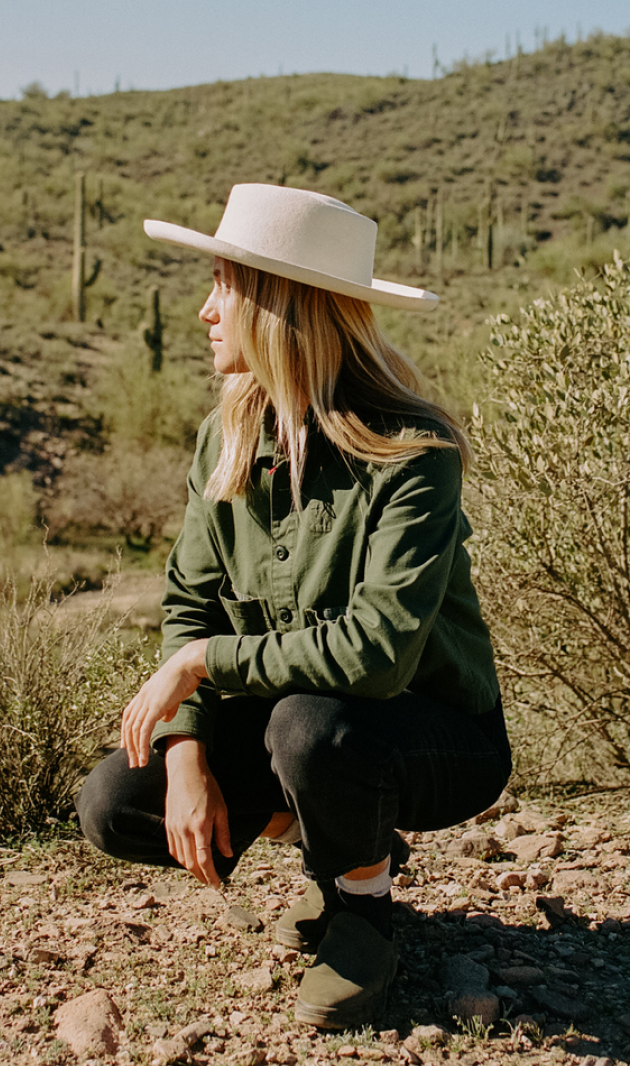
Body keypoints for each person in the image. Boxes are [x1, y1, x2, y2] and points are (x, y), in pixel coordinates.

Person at [77, 183, 511, 1029]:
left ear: (281, 308)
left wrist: (203, 664)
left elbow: (376, 656)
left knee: (311, 728)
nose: (205, 311)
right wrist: (184, 751)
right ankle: (341, 839)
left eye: (224, 288)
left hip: (430, 736)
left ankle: (362, 913)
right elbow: (189, 603)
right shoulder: (227, 438)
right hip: (302, 725)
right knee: (116, 806)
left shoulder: (413, 455)